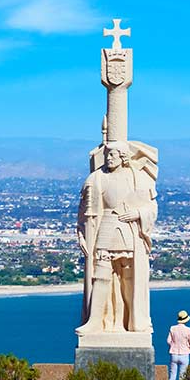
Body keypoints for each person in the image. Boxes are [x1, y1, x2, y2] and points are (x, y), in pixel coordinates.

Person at [76, 141, 158, 336]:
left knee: (128, 277)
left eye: (112, 155)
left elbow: (151, 207)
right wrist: (81, 233)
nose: (108, 159)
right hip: (105, 227)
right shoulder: (96, 178)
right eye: (107, 155)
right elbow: (84, 211)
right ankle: (95, 320)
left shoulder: (138, 178)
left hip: (129, 231)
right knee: (101, 274)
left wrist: (138, 213)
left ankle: (133, 319)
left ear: (123, 157)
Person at [167, 310, 190, 380]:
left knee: (172, 377)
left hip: (174, 354)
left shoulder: (172, 328)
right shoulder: (188, 330)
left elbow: (168, 341)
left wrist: (173, 345)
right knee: (182, 378)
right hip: (184, 355)